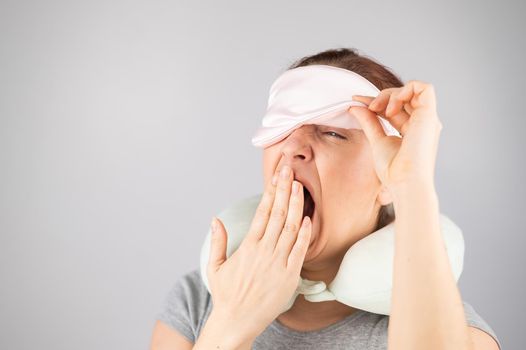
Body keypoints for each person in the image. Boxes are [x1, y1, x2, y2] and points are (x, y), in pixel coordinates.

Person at [149, 48, 502, 350]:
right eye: (281, 128)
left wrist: (411, 182)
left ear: (385, 179)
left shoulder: (454, 333)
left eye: (333, 133)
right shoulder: (197, 303)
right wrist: (229, 324)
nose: (292, 148)